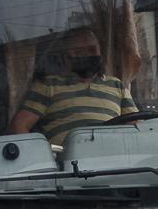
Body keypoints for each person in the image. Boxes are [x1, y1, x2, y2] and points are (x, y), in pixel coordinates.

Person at [9, 26, 138, 146]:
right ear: (66, 56)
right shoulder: (48, 85)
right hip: (68, 167)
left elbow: (136, 126)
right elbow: (19, 126)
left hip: (114, 161)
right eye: (78, 52)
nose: (87, 55)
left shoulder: (117, 85)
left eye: (92, 49)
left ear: (100, 51)